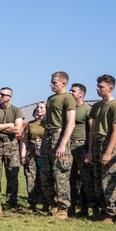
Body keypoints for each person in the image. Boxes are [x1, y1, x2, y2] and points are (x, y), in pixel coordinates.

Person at [86, 75, 116, 222]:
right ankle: (102, 210)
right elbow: (92, 129)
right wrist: (90, 150)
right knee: (97, 180)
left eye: (101, 87)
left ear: (111, 88)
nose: (97, 89)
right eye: (98, 86)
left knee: (108, 179)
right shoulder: (96, 106)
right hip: (96, 142)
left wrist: (108, 152)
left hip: (109, 142)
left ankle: (111, 213)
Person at [41, 72, 77, 219]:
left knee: (60, 173)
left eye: (54, 82)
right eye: (51, 81)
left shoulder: (68, 98)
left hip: (59, 135)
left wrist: (62, 144)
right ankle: (53, 205)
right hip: (47, 135)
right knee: (46, 174)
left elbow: (71, 122)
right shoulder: (50, 98)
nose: (51, 84)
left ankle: (63, 208)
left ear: (63, 83)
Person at [0, 87, 25, 208]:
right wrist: (10, 124)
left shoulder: (16, 111)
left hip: (12, 144)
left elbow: (18, 129)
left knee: (12, 174)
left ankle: (11, 202)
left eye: (3, 94)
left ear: (10, 97)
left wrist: (0, 126)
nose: (0, 96)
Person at [68, 83, 95, 217]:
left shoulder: (87, 110)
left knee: (86, 179)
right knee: (70, 178)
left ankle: (90, 208)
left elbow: (91, 131)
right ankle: (71, 207)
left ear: (81, 94)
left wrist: (89, 151)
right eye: (70, 90)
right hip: (68, 145)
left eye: (73, 91)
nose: (70, 92)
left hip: (82, 145)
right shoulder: (68, 109)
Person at [21, 102, 46, 211]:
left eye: (41, 107)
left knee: (44, 178)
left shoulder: (49, 124)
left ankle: (46, 204)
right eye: (37, 107)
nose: (38, 109)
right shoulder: (30, 124)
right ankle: (32, 204)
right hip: (31, 152)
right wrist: (22, 155)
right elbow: (24, 141)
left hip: (45, 153)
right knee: (31, 178)